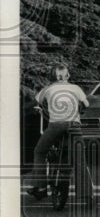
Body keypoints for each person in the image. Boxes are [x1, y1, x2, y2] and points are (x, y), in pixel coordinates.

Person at [27, 64, 92, 203]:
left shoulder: (48, 89)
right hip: (74, 126)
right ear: (68, 75)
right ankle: (86, 195)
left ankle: (41, 187)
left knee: (39, 151)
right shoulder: (76, 88)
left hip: (55, 126)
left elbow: (36, 102)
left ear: (53, 76)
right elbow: (86, 104)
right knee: (80, 160)